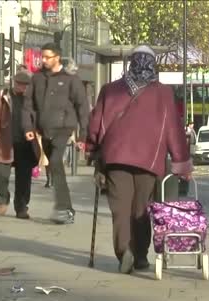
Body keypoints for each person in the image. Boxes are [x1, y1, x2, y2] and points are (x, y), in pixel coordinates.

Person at [87, 45, 194, 274]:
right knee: (141, 209)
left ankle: (123, 251)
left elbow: (96, 123)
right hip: (149, 158)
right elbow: (173, 130)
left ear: (131, 63)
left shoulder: (110, 90)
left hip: (115, 157)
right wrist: (182, 163)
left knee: (120, 208)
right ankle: (141, 256)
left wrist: (91, 149)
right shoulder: (164, 93)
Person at [23, 44, 90, 224]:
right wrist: (28, 127)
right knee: (54, 166)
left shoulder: (70, 80)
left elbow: (82, 107)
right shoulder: (37, 78)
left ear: (57, 57)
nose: (43, 60)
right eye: (42, 57)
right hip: (45, 129)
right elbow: (28, 105)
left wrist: (83, 136)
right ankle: (67, 208)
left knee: (54, 161)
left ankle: (62, 209)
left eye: (47, 57)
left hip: (63, 128)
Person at [0, 70, 38, 219]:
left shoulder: (33, 98)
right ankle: (2, 200)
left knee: (24, 179)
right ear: (14, 83)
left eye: (26, 85)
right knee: (0, 175)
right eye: (20, 84)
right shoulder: (2, 96)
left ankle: (21, 207)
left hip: (25, 144)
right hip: (4, 142)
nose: (23, 88)